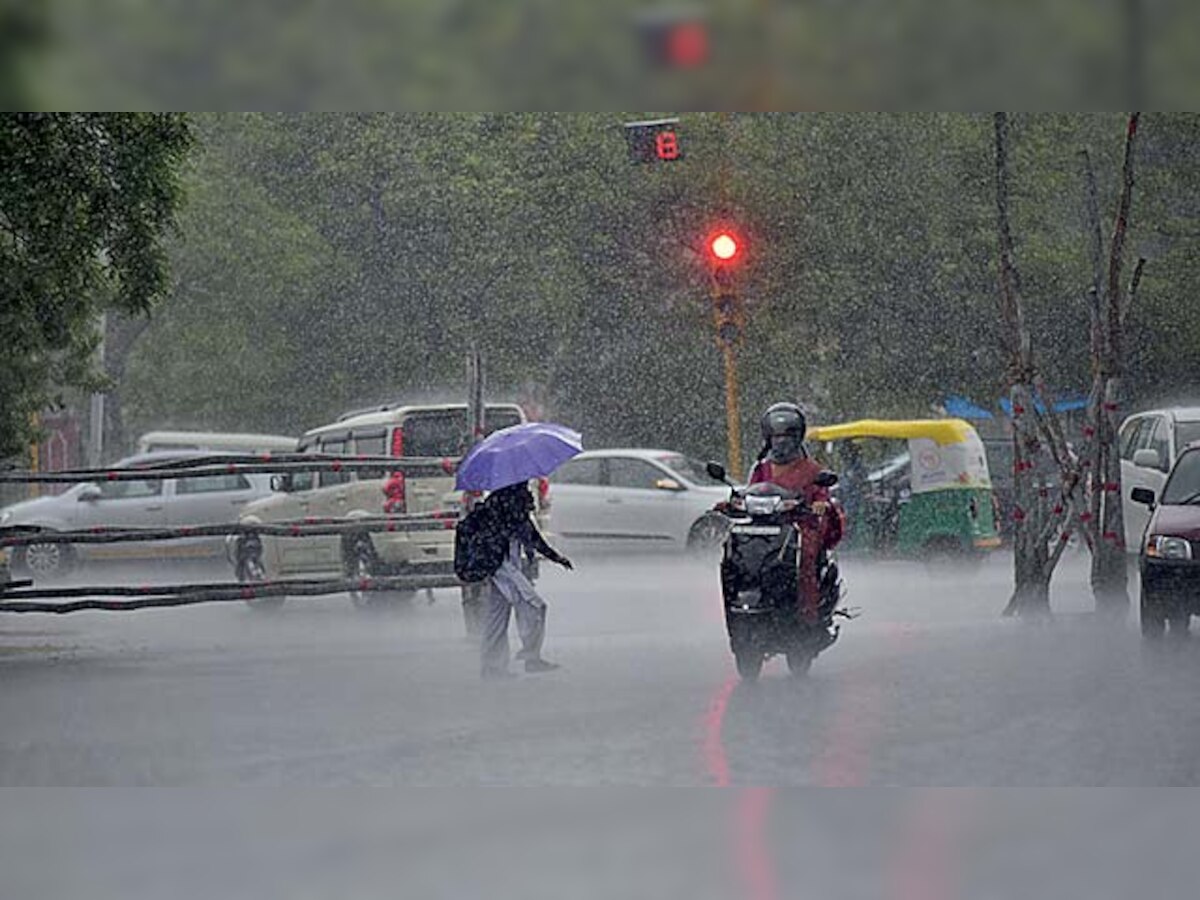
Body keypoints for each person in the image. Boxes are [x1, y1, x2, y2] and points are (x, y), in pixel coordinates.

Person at [748, 402, 844, 622]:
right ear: (768, 438)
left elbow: (822, 494)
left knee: (805, 555)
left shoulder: (812, 469)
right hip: (764, 527)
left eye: (787, 436)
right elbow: (750, 492)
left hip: (799, 526)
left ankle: (807, 613)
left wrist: (820, 503)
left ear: (797, 438)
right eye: (776, 437)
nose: (781, 442)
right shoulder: (761, 468)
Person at [479, 482, 573, 678]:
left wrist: (555, 557)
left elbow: (529, 536)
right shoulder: (508, 502)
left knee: (497, 617)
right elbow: (529, 534)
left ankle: (492, 667)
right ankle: (530, 657)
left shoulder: (499, 501)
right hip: (502, 566)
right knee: (535, 606)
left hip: (498, 565)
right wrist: (556, 557)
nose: (530, 494)